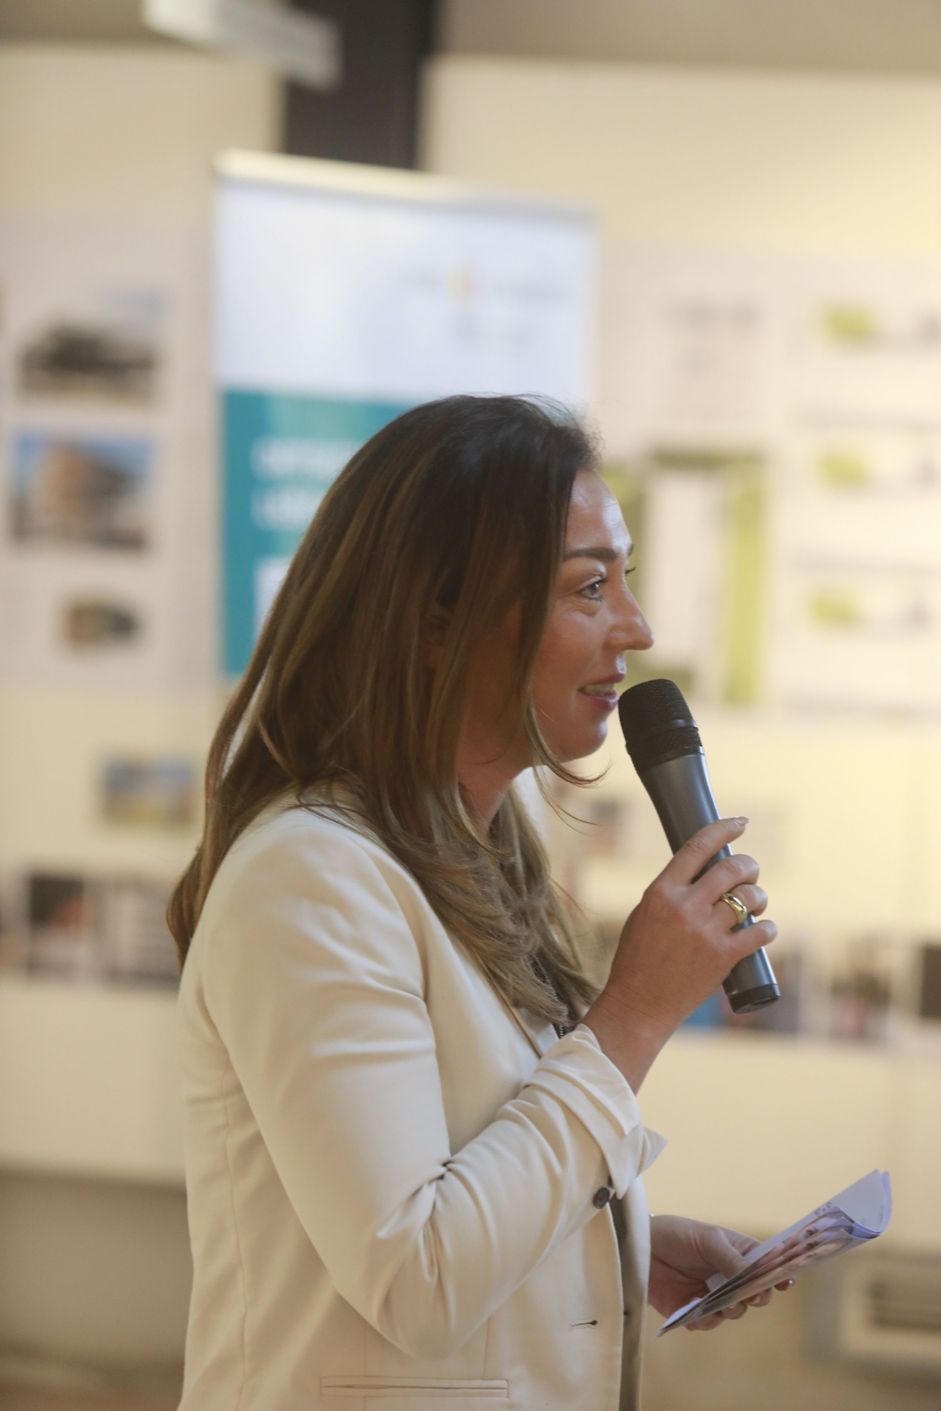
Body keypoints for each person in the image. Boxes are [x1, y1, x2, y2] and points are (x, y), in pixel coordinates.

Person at [169, 394, 784, 1411]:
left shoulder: (480, 854)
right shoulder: (311, 877)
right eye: (590, 586)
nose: (635, 627)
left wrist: (611, 1249)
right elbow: (417, 1280)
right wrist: (633, 1014)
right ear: (435, 619)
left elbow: (460, 1186)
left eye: (625, 580)